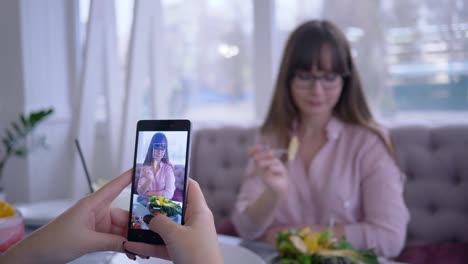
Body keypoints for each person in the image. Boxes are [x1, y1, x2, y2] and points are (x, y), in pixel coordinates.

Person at [231, 20, 409, 258]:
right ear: (288, 78)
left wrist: (296, 235)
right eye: (305, 76)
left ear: (345, 80)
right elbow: (246, 229)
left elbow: (390, 237)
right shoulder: (271, 136)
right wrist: (272, 194)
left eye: (329, 77)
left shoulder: (368, 142)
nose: (317, 91)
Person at [0, 170, 223, 264]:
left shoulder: (166, 171)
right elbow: (146, 190)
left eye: (161, 148)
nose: (158, 151)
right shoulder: (148, 171)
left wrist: (25, 253)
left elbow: (166, 190)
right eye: (156, 147)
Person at [137, 132, 176, 199]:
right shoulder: (145, 167)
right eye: (157, 147)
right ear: (151, 148)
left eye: (163, 147)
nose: (159, 152)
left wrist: (149, 193)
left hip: (162, 205)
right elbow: (140, 192)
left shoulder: (168, 168)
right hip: (145, 205)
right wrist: (149, 179)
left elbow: (169, 194)